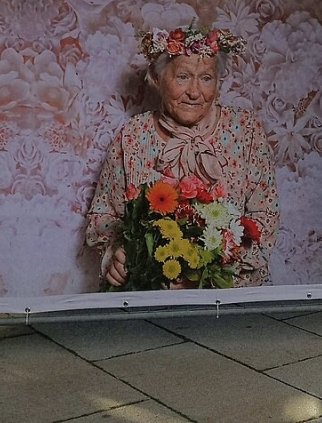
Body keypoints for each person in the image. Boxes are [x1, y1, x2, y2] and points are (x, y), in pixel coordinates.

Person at [84, 24, 278, 289]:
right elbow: (103, 215)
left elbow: (265, 215)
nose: (195, 92)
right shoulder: (132, 136)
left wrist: (206, 274)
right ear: (157, 78)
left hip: (227, 294)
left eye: (206, 78)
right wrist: (116, 257)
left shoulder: (245, 131)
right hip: (149, 292)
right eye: (183, 77)